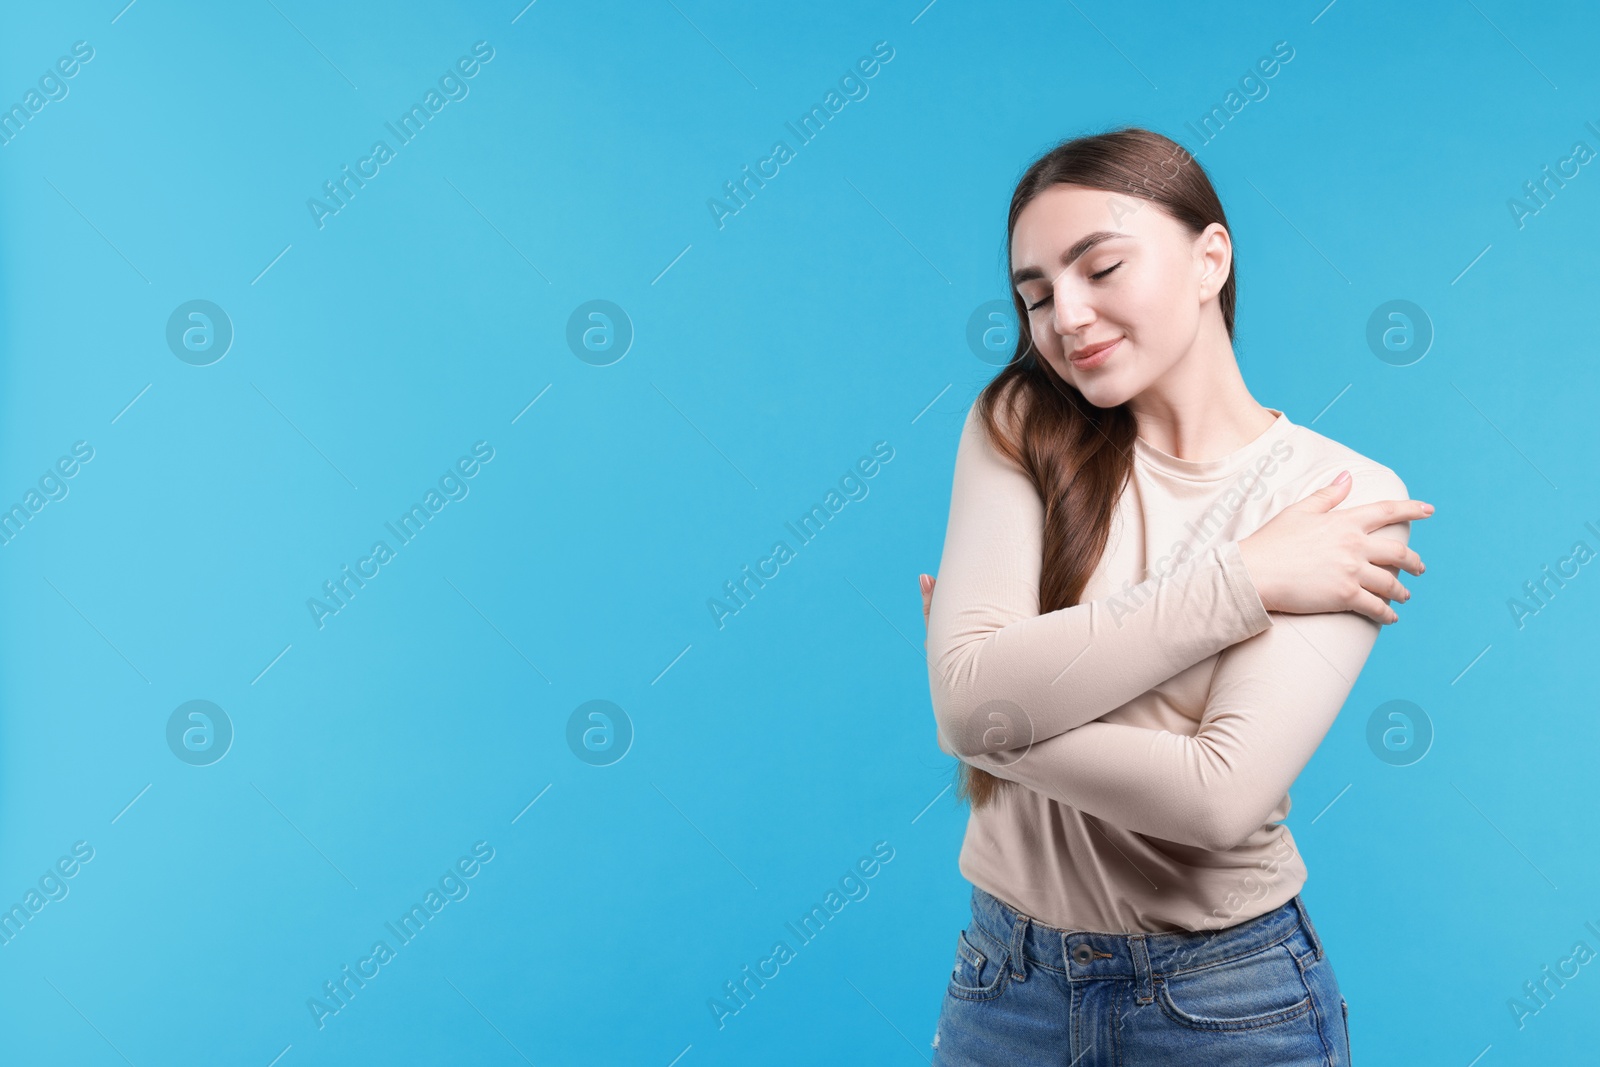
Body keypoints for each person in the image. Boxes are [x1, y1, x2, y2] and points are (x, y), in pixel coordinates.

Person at [918, 127, 1433, 1065]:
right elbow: (969, 700)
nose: (1065, 317)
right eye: (1034, 296)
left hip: (1227, 1004)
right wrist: (1246, 578)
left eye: (1101, 267)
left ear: (1210, 259)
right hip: (1007, 986)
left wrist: (991, 717)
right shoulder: (1019, 422)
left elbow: (1213, 799)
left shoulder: (1339, 498)